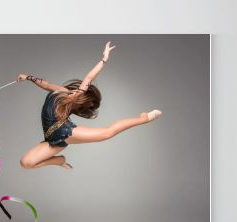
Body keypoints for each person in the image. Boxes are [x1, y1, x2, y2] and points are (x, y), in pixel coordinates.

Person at [17, 41, 162, 170]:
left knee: (107, 133)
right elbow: (46, 84)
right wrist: (27, 77)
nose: (80, 88)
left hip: (63, 131)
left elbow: (90, 77)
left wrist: (104, 59)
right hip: (51, 137)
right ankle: (59, 161)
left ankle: (144, 118)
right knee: (26, 163)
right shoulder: (62, 90)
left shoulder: (74, 96)